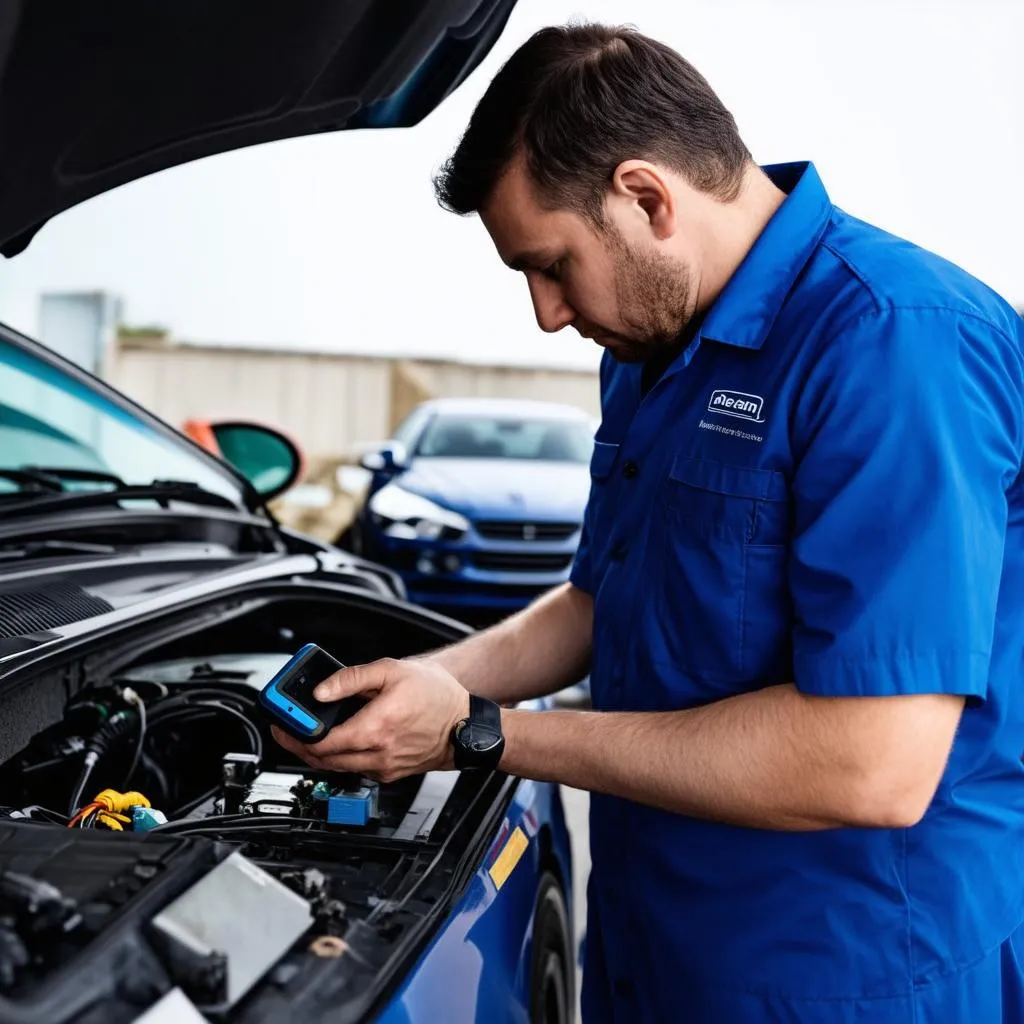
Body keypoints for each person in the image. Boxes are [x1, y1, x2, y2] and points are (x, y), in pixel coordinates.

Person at [272, 23, 1024, 1023]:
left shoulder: (894, 345)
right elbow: (598, 598)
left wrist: (482, 734)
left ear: (646, 198)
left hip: (848, 972)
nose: (544, 313)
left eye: (550, 265)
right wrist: (435, 682)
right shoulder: (644, 350)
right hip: (655, 947)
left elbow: (870, 762)